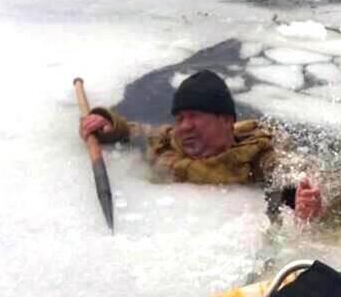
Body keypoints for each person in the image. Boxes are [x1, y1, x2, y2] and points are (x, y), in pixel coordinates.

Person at [79, 70, 322, 221]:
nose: (184, 126)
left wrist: (311, 199)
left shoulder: (259, 155)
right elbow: (133, 131)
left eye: (194, 115)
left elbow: (309, 176)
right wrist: (107, 124)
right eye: (180, 117)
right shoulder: (167, 142)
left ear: (225, 120)